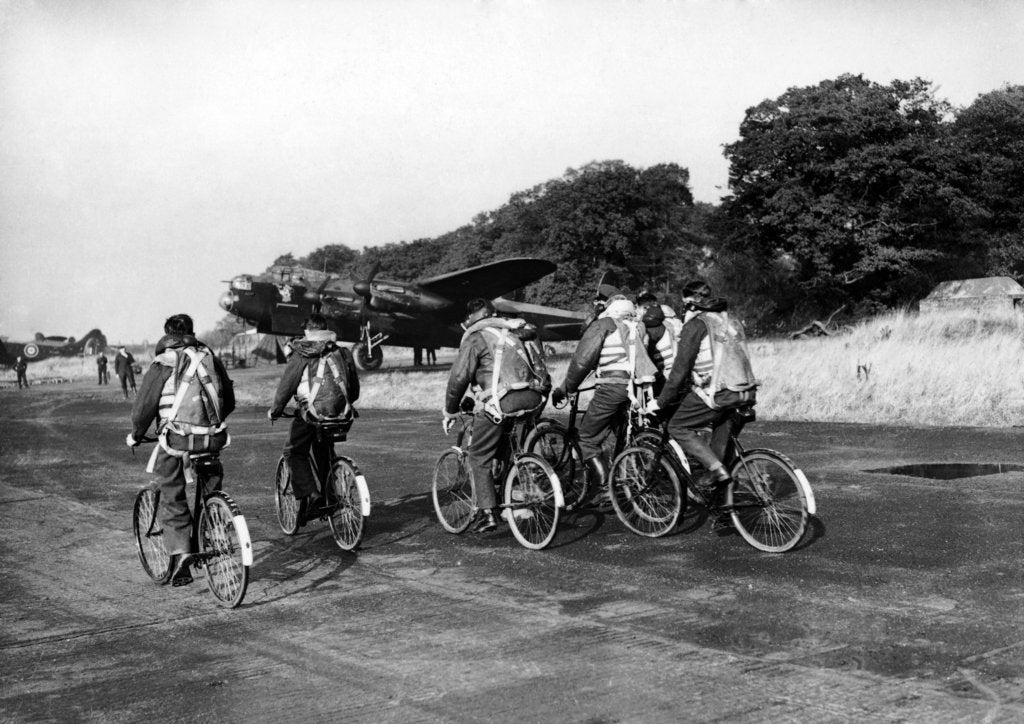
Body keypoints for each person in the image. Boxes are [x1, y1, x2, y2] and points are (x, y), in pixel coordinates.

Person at [126, 314, 235, 586]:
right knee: (211, 478)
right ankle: (215, 523)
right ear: (191, 332)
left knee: (171, 489)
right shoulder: (209, 358)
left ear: (166, 335)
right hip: (211, 437)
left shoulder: (162, 363)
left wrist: (136, 435)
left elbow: (143, 409)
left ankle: (183, 552)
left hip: (175, 440)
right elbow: (228, 400)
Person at [645, 280, 758, 518]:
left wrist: (661, 400)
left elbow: (680, 369)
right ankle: (725, 506)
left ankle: (717, 471)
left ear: (688, 302)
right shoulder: (729, 320)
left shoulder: (696, 325)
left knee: (677, 426)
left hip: (719, 393)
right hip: (745, 392)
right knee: (721, 437)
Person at [442, 298, 550, 533]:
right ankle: (520, 497)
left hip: (502, 402)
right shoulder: (514, 332)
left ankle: (488, 513)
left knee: (479, 456)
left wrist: (450, 410)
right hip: (533, 398)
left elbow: (459, 378)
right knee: (512, 449)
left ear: (471, 317)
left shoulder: (476, 337)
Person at [551, 297, 657, 506]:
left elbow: (582, 362)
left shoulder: (604, 325)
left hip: (612, 387)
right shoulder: (638, 326)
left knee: (587, 438)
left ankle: (605, 488)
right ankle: (630, 477)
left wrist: (566, 388)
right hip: (636, 388)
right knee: (621, 433)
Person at [267, 313, 360, 525]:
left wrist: (275, 410)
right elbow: (353, 390)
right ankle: (332, 496)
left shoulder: (301, 353)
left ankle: (312, 495)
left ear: (308, 332)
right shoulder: (342, 352)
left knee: (293, 452)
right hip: (341, 415)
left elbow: (286, 387)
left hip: (312, 416)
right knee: (324, 451)